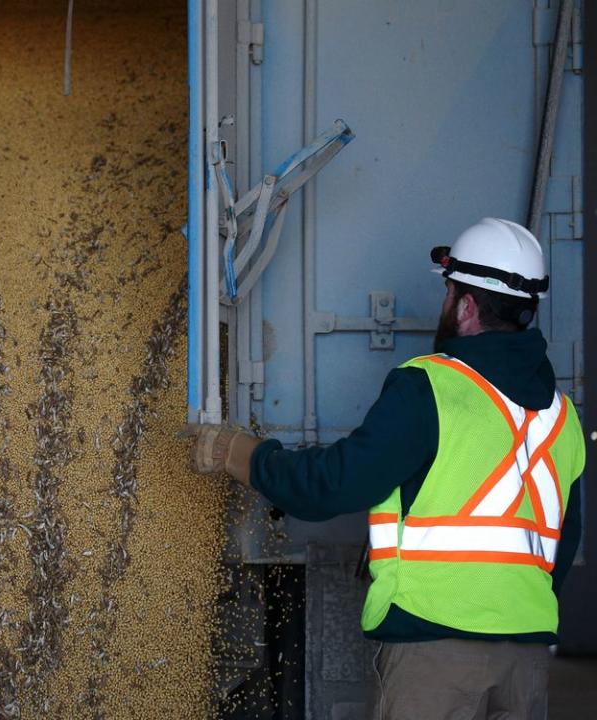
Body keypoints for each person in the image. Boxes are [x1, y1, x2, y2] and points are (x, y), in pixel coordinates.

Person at [190, 218, 586, 720]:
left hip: (435, 653)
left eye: (449, 292)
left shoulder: (431, 387)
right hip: (525, 662)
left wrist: (239, 453)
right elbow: (563, 540)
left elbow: (332, 486)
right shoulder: (562, 414)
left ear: (465, 305)